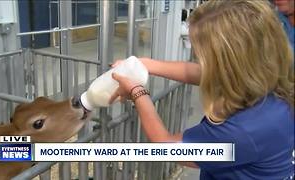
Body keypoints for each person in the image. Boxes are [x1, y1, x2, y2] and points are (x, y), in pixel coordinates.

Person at [109, 0, 294, 179]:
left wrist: (138, 93)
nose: (198, 62)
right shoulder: (275, 80)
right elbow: (206, 73)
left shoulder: (242, 130)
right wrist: (145, 64)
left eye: (202, 57)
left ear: (230, 65)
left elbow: (167, 148)